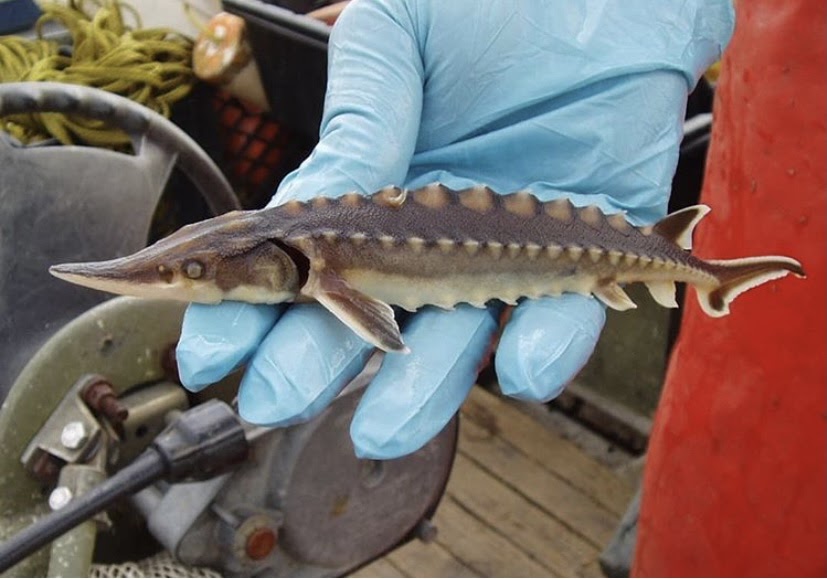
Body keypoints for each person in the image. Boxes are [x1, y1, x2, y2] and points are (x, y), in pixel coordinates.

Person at [176, 0, 734, 459]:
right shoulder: (309, 255)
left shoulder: (323, 266)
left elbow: (374, 322)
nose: (190, 277)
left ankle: (711, 277)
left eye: (196, 271)